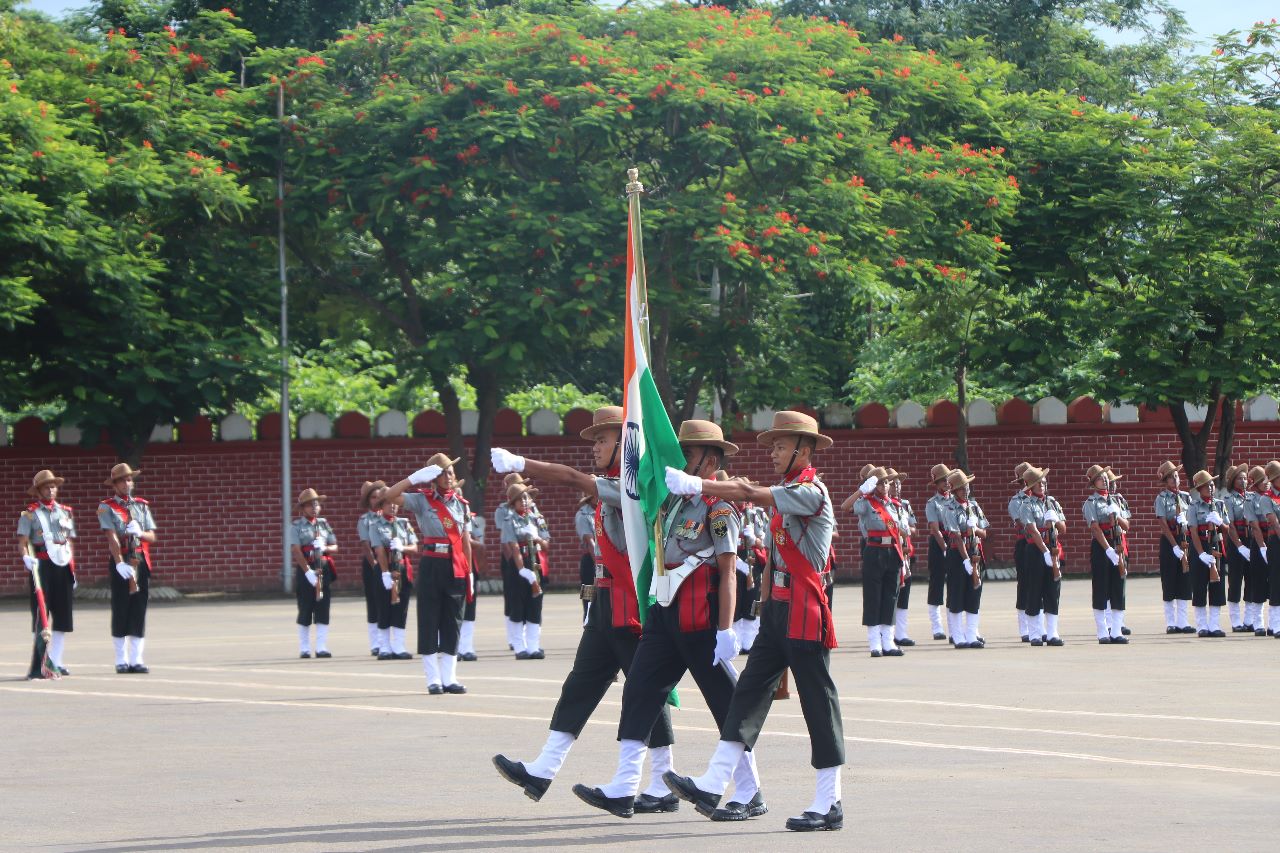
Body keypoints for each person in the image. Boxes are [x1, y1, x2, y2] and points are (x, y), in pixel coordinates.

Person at [573, 420, 765, 822]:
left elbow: (729, 570)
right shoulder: (671, 501)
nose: (680, 460)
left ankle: (749, 791)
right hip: (664, 613)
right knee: (640, 689)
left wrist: (727, 628)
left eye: (689, 453)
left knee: (725, 704)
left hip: (701, 617)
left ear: (710, 460)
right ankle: (625, 786)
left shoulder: (719, 508)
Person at [662, 410, 843, 832]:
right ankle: (713, 781)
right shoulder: (786, 490)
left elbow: (746, 492)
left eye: (782, 446)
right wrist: (762, 610)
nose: (775, 453)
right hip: (779, 612)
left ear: (806, 449)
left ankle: (828, 799)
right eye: (775, 445)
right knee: (746, 696)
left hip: (805, 610)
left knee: (818, 703)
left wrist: (700, 484)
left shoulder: (810, 492)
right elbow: (773, 561)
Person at [488, 406, 676, 810]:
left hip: (630, 607)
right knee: (580, 686)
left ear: (625, 444)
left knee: (644, 693)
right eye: (594, 440)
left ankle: (660, 785)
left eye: (602, 439)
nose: (594, 447)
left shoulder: (630, 487)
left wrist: (522, 464)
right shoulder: (611, 484)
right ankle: (544, 768)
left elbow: (573, 479)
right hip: (605, 603)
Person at [384, 453, 473, 694]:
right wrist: (413, 479)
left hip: (455, 565)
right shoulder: (422, 501)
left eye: (450, 471)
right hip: (432, 563)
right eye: (442, 472)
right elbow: (389, 496)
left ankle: (450, 677)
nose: (448, 476)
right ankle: (433, 679)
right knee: (429, 618)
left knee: (452, 620)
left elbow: (466, 542)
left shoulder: (461, 505)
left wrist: (470, 572)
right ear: (433, 477)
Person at [98, 463, 158, 673]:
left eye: (129, 479)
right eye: (122, 480)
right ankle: (120, 659)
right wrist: (118, 562)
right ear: (114, 484)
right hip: (122, 559)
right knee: (121, 607)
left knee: (139, 609)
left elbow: (152, 536)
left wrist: (140, 532)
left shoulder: (141, 506)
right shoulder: (107, 507)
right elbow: (111, 537)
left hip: (140, 559)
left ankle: (136, 659)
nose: (127, 483)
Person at [18, 469, 77, 677]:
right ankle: (39, 665)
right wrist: (26, 557)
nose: (51, 490)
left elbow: (68, 541)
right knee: (42, 615)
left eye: (53, 486)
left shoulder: (66, 512)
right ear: (38, 491)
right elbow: (23, 542)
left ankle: (57, 661)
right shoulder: (30, 514)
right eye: (46, 487)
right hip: (41, 566)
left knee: (63, 616)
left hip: (62, 565)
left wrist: (73, 569)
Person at [848, 466, 904, 658]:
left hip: (892, 551)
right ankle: (874, 643)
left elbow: (902, 531)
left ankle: (888, 642)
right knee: (873, 596)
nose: (884, 486)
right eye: (880, 482)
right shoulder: (866, 502)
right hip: (874, 550)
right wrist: (861, 491)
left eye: (886, 482)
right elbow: (845, 507)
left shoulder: (895, 505)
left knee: (890, 596)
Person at [499, 482, 548, 659]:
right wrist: (523, 571)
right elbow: (514, 548)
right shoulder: (509, 520)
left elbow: (547, 544)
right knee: (517, 605)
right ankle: (520, 646)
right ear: (513, 503)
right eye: (520, 499)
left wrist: (537, 538)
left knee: (535, 605)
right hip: (519, 566)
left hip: (536, 563)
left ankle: (533, 646)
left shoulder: (537, 518)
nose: (524, 501)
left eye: (526, 497)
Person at [943, 469, 989, 649]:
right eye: (961, 488)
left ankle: (971, 634)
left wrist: (975, 529)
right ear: (954, 490)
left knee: (974, 594)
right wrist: (965, 560)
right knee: (957, 594)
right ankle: (958, 635)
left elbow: (984, 532)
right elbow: (955, 536)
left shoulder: (975, 507)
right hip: (958, 555)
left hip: (975, 551)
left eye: (966, 486)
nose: (965, 490)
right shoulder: (949, 508)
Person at [1021, 466, 1066, 646]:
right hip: (1035, 550)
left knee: (1052, 591)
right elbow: (1032, 531)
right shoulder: (1027, 505)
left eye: (1044, 481)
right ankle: (1034, 634)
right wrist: (1045, 552)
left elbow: (1063, 528)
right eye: (1039, 482)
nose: (1042, 484)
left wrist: (1055, 520)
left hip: (1054, 547)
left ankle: (1052, 632)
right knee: (1034, 590)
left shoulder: (1052, 503)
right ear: (1031, 486)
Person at [1082, 465, 1127, 644]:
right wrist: (1108, 549)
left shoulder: (1117, 500)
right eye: (1101, 478)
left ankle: (1116, 630)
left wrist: (1117, 516)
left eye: (1106, 478)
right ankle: (1102, 630)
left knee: (1118, 587)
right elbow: (1094, 527)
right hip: (1102, 547)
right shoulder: (1090, 503)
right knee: (1101, 588)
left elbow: (1127, 526)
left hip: (1118, 544)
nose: (1106, 480)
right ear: (1094, 483)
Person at [290, 488, 337, 658]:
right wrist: (307, 571)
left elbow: (335, 547)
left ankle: (321, 646)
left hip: (323, 568)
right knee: (305, 607)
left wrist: (325, 547)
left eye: (316, 504)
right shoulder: (296, 526)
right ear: (302, 508)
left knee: (323, 606)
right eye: (309, 505)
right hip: (306, 570)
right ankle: (304, 647)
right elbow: (296, 550)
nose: (314, 507)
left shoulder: (324, 524)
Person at [369, 496, 417, 659]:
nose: (393, 506)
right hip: (386, 568)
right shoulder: (376, 525)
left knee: (401, 607)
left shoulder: (404, 523)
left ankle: (399, 645)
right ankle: (384, 646)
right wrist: (384, 573)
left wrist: (402, 547)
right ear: (382, 505)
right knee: (384, 606)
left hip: (402, 568)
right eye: (389, 503)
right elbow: (379, 550)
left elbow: (415, 547)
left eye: (396, 503)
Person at [1186, 470, 1229, 637]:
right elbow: (1193, 532)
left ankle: (1215, 625)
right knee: (1199, 585)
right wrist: (1200, 553)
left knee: (1217, 585)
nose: (1211, 487)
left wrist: (1220, 522)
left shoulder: (1219, 504)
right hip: (1201, 546)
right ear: (1200, 488)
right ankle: (1202, 625)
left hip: (1216, 545)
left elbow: (1227, 529)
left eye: (1212, 484)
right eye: (1207, 485)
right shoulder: (1194, 506)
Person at [1154, 461, 1195, 634]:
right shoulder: (1161, 498)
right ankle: (1171, 622)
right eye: (1170, 477)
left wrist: (1186, 521)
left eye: (1176, 476)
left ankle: (1183, 621)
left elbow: (1193, 518)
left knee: (1185, 579)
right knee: (1169, 580)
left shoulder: (1186, 497)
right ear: (1165, 480)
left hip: (1185, 539)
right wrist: (1174, 546)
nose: (1174, 479)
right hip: (1169, 541)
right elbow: (1163, 524)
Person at [1221, 464, 1254, 632]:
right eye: (1239, 478)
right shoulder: (1229, 499)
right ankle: (1235, 621)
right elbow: (1230, 525)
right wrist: (1240, 546)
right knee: (1235, 581)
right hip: (1237, 543)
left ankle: (1249, 619)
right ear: (1233, 481)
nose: (1243, 481)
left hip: (1251, 541)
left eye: (1245, 478)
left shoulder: (1251, 496)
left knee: (1251, 580)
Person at [886, 468, 917, 648]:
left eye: (898, 483)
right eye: (893, 483)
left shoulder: (904, 504)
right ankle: (889, 633)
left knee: (905, 592)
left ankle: (901, 632)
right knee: (892, 592)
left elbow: (913, 527)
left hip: (906, 550)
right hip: (892, 550)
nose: (897, 486)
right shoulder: (884, 505)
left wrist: (905, 531)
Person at [357, 480, 388, 656]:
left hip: (390, 562)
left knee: (390, 601)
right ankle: (375, 642)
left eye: (379, 496)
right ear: (369, 500)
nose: (377, 500)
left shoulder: (389, 517)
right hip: (373, 563)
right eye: (373, 497)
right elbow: (366, 545)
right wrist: (375, 565)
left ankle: (387, 641)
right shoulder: (365, 520)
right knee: (374, 601)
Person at [1244, 465, 1274, 635]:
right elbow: (1255, 526)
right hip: (1259, 544)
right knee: (1259, 582)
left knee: (1274, 583)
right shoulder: (1250, 500)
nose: (1267, 483)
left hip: (1274, 541)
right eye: (1263, 480)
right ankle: (1258, 623)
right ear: (1254, 483)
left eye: (1268, 479)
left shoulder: (1272, 497)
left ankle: (1274, 623)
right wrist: (1263, 548)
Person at [924, 464, 952, 640]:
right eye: (943, 480)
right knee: (937, 583)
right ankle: (937, 626)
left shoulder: (955, 501)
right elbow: (935, 529)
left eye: (948, 480)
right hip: (939, 543)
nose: (947, 483)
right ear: (936, 483)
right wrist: (945, 549)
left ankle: (953, 626)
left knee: (955, 585)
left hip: (955, 540)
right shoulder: (932, 503)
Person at [1008, 461, 1033, 642]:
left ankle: (1037, 625)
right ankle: (1024, 626)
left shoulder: (1043, 498)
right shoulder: (1017, 501)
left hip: (1042, 543)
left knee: (1040, 584)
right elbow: (1021, 523)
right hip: (1025, 544)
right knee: (1024, 584)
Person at [459, 509, 484, 661]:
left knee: (469, 606)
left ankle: (466, 646)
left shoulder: (469, 518)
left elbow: (479, 543)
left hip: (467, 564)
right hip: (447, 563)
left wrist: (466, 540)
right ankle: (450, 645)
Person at [576, 492, 599, 625]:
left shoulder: (606, 509)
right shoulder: (583, 515)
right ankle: (588, 624)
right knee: (589, 597)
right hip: (591, 560)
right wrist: (598, 565)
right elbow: (590, 542)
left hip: (605, 559)